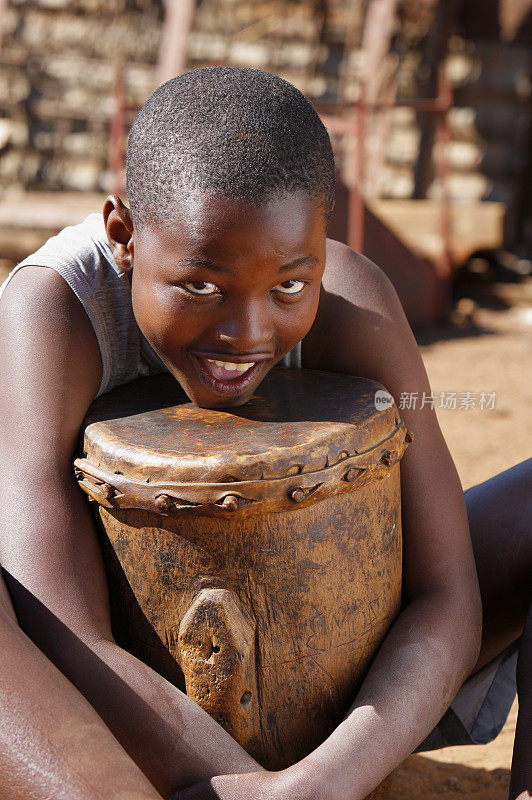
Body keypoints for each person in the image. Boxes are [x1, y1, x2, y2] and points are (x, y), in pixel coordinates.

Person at [0, 67, 529, 800]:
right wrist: (246, 790)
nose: (246, 335)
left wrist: (317, 786)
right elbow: (64, 631)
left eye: (288, 284)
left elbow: (447, 596)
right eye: (201, 286)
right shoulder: (54, 313)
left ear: (320, 243)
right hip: (109, 733)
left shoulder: (354, 302)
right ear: (122, 235)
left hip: (344, 708)